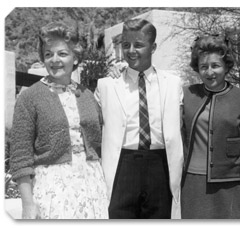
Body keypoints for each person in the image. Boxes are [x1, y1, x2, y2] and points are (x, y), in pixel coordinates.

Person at [9, 21, 109, 219]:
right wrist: (28, 204)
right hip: (53, 191)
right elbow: (20, 156)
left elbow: (102, 139)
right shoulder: (29, 97)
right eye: (48, 54)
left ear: (76, 57)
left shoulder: (86, 94)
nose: (54, 60)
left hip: (92, 187)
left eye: (62, 54)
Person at [94, 18, 184, 219]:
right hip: (123, 165)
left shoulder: (173, 83)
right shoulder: (107, 85)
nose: (131, 50)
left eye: (139, 45)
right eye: (126, 45)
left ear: (153, 47)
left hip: (161, 164)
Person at [180, 35, 240, 219]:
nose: (210, 72)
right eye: (203, 67)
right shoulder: (186, 94)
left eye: (215, 66)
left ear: (226, 67)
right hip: (191, 185)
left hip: (230, 186)